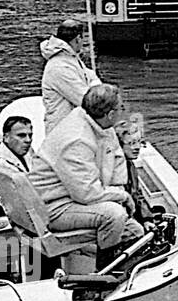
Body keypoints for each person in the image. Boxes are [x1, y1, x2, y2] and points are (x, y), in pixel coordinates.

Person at [28, 84, 144, 269]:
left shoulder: (101, 125)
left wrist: (119, 191)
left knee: (136, 232)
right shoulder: (76, 139)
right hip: (54, 207)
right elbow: (87, 194)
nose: (124, 111)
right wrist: (122, 196)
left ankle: (122, 265)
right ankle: (106, 270)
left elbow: (117, 161)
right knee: (114, 215)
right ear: (110, 114)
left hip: (75, 198)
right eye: (120, 108)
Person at [41, 19, 100, 135]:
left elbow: (90, 76)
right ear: (78, 39)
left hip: (71, 127)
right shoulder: (60, 67)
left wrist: (96, 87)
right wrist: (99, 91)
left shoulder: (69, 59)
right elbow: (85, 99)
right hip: (62, 131)